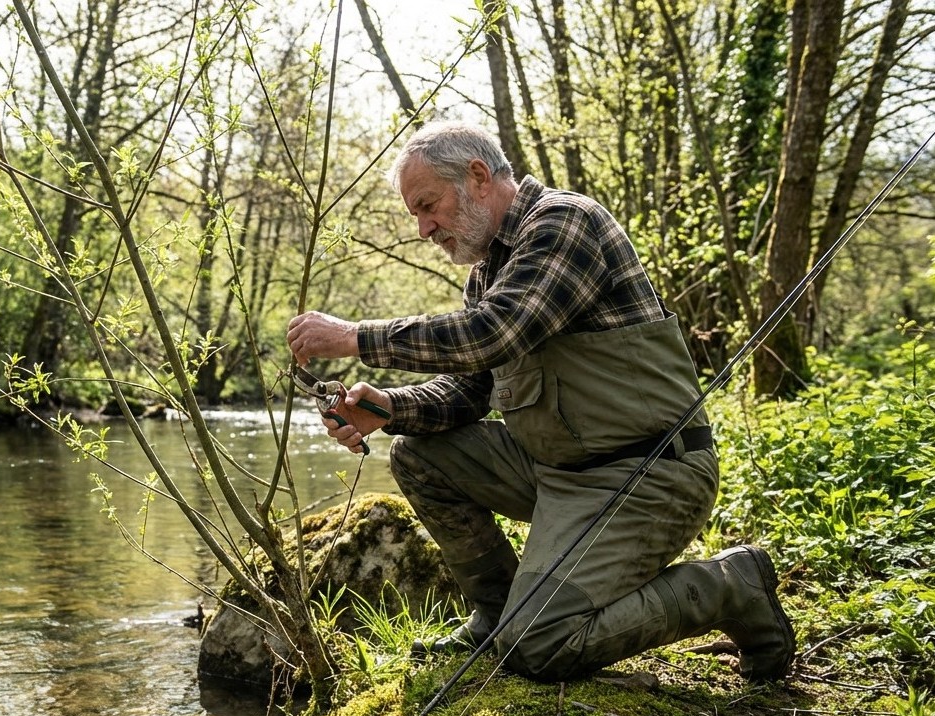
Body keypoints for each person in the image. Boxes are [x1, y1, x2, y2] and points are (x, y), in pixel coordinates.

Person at [285, 121, 795, 682]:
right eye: (417, 214)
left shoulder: (565, 222)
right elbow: (469, 391)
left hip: (649, 475)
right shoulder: (488, 273)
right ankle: (498, 613)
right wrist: (386, 407)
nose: (425, 228)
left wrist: (356, 337)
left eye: (428, 206)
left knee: (540, 647)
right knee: (416, 454)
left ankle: (728, 586)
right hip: (559, 473)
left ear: (477, 177)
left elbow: (494, 333)